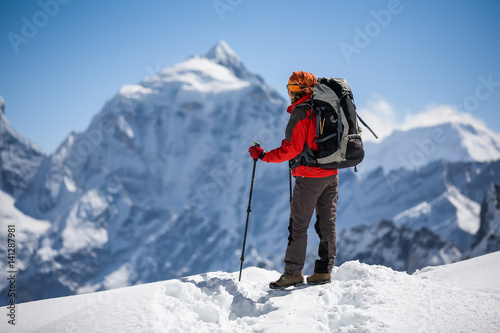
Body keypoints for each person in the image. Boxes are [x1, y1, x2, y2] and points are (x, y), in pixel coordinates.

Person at [248, 71, 339, 289]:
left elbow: (292, 149)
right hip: (332, 173)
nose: (288, 93)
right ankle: (323, 271)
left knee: (298, 227)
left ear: (297, 91)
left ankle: (293, 273)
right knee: (327, 224)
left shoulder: (301, 111)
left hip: (309, 176)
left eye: (290, 89)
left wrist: (263, 155)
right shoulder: (326, 106)